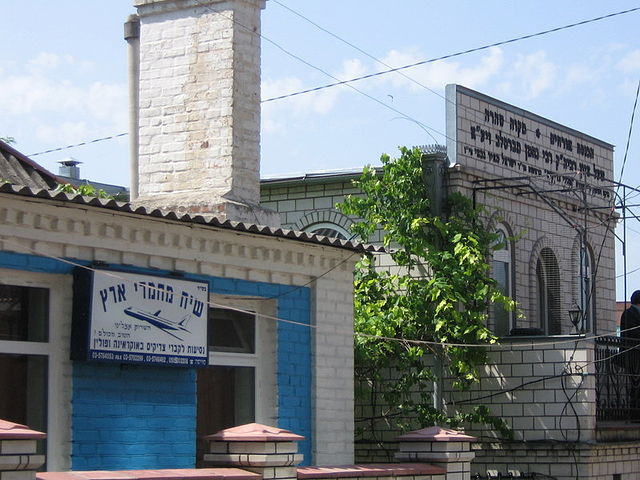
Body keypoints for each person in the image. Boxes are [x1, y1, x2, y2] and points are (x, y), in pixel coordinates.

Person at [621, 290, 640, 420]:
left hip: (635, 353)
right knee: (635, 383)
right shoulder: (629, 314)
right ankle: (635, 412)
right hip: (632, 354)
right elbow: (631, 333)